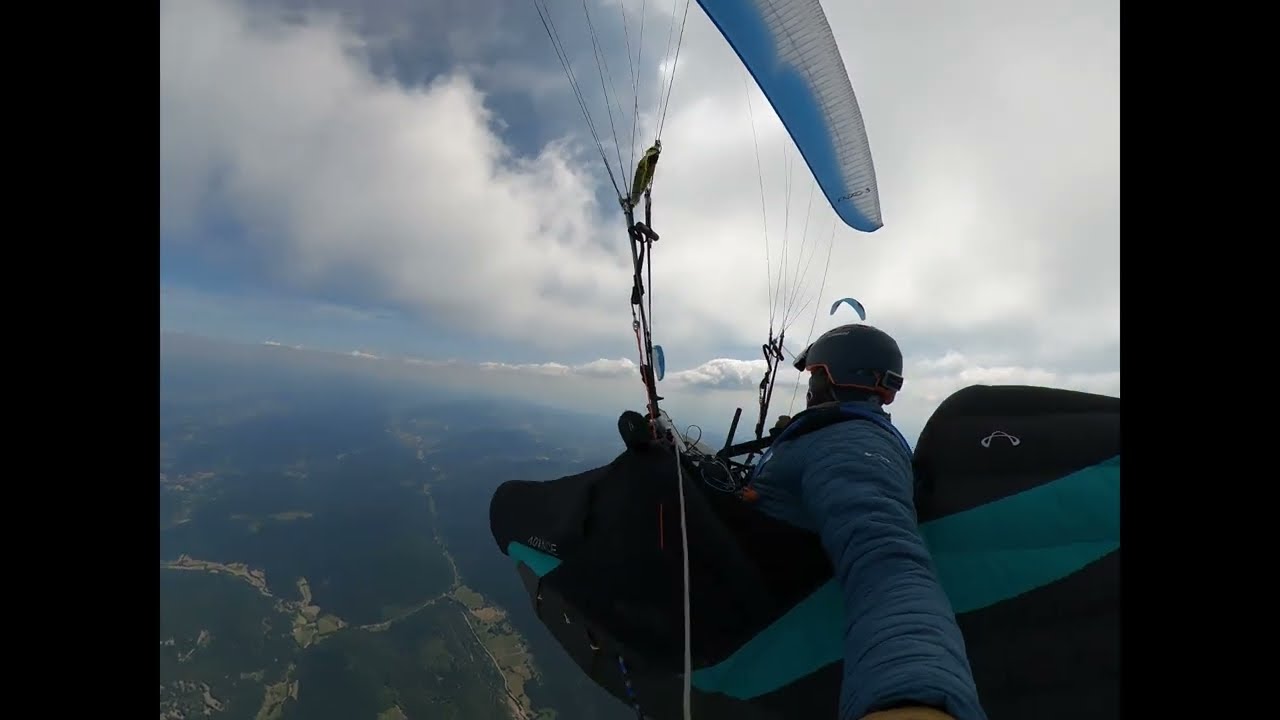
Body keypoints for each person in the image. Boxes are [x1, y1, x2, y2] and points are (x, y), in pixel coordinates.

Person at [747, 324, 988, 720]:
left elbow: (886, 560)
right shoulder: (841, 433)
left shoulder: (850, 445)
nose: (810, 387)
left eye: (814, 375)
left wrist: (912, 703)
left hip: (763, 633)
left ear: (833, 375)